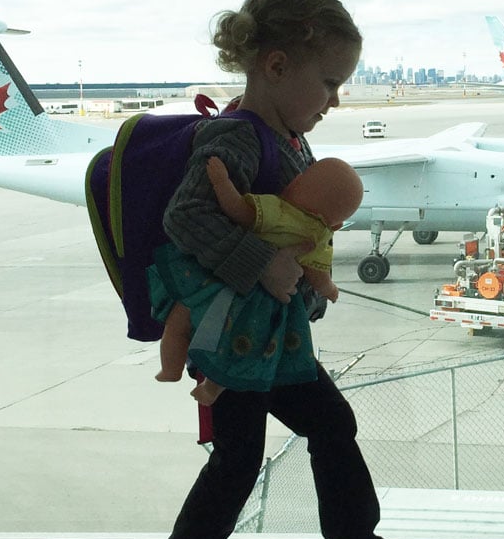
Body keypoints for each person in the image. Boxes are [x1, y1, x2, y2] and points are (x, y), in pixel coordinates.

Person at [155, 0, 436, 539]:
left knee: (330, 424)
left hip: (271, 340)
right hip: (231, 341)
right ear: (277, 65)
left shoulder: (285, 136)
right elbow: (187, 218)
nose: (335, 100)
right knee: (241, 453)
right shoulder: (234, 137)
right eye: (331, 81)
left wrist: (298, 283)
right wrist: (265, 266)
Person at [152, 156, 364, 405]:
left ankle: (170, 368)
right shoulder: (318, 236)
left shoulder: (276, 209)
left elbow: (237, 209)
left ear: (295, 184)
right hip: (264, 306)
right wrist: (330, 290)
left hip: (226, 283)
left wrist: (221, 182)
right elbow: (318, 276)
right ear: (336, 225)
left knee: (181, 319)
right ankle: (212, 388)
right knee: (244, 350)